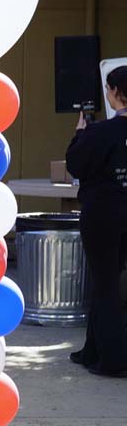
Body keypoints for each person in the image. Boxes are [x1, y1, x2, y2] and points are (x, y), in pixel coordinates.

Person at [67, 65, 127, 377]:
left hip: (105, 214)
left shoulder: (101, 132)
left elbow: (77, 164)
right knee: (110, 281)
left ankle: (114, 358)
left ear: (116, 93)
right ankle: (93, 349)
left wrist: (80, 133)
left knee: (104, 282)